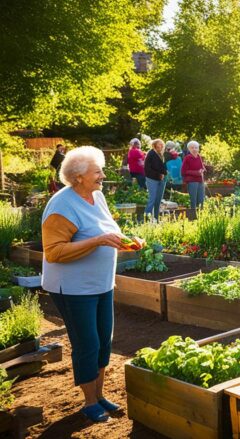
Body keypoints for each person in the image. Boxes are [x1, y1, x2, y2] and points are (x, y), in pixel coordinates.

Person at [41, 146, 141, 422]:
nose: (102, 175)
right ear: (77, 177)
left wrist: (127, 242)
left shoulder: (97, 196)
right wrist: (97, 241)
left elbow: (107, 232)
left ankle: (99, 394)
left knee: (103, 342)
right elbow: (54, 252)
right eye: (97, 171)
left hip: (101, 284)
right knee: (87, 343)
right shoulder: (61, 206)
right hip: (73, 289)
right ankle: (88, 402)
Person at [143, 139, 167, 221]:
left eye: (162, 144)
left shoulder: (161, 154)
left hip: (161, 179)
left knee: (158, 200)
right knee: (152, 199)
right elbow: (147, 169)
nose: (161, 146)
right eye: (159, 144)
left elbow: (162, 167)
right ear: (154, 145)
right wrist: (159, 175)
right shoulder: (151, 154)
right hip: (152, 179)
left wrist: (164, 173)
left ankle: (156, 219)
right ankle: (146, 218)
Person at [182, 141, 205, 219]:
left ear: (198, 149)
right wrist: (196, 173)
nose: (194, 149)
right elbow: (183, 171)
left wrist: (203, 169)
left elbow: (201, 167)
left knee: (201, 200)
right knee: (193, 200)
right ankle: (193, 218)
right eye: (192, 148)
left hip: (200, 181)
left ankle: (201, 217)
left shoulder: (199, 157)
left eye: (196, 147)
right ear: (189, 149)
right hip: (192, 181)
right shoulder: (187, 158)